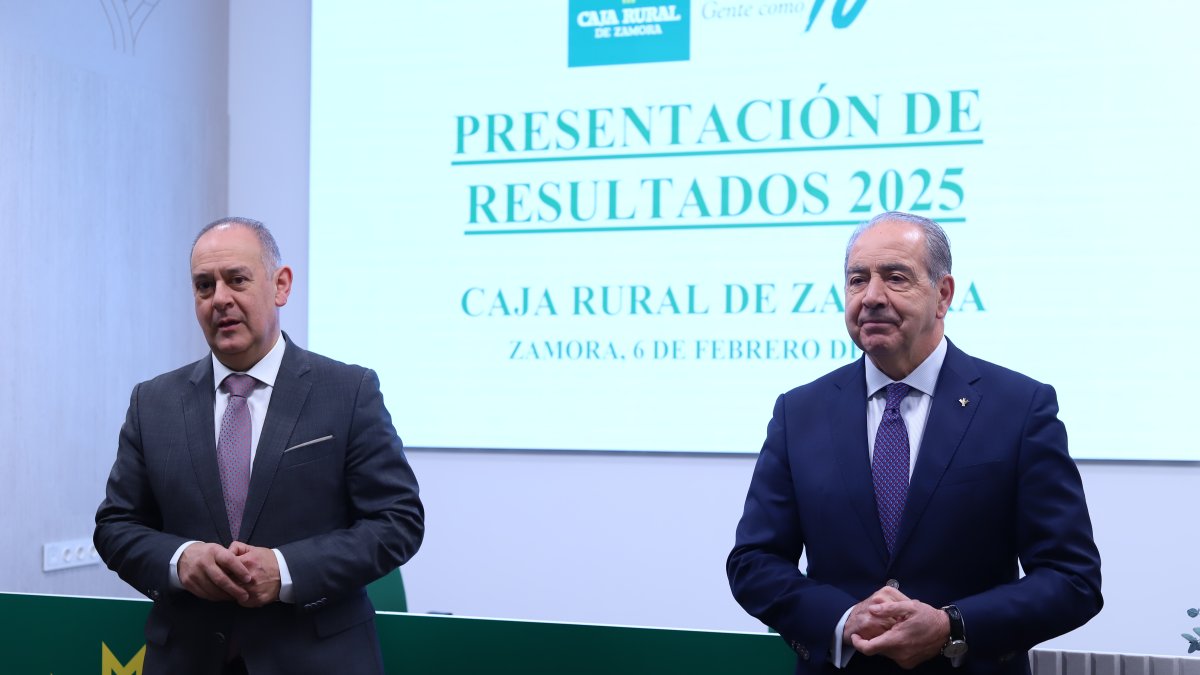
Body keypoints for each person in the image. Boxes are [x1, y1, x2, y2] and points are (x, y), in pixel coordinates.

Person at [727, 212, 1101, 674]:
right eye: (857, 280)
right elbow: (754, 563)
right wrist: (842, 621)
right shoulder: (799, 411)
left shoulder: (1019, 408)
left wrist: (952, 628)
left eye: (895, 278)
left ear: (942, 295)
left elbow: (1072, 579)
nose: (871, 297)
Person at [95, 217, 424, 674]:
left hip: (317, 659)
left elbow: (397, 521)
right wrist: (179, 560)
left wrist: (286, 570)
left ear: (281, 285)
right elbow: (116, 526)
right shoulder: (153, 402)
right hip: (188, 659)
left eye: (237, 280)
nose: (220, 299)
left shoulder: (348, 391)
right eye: (204, 286)